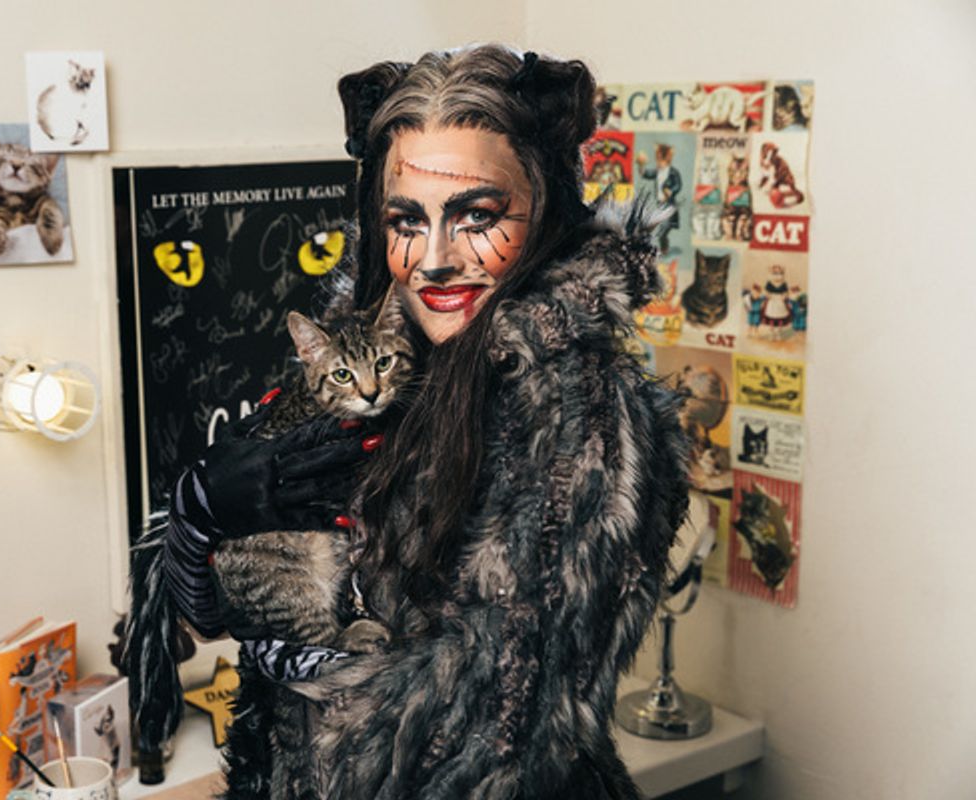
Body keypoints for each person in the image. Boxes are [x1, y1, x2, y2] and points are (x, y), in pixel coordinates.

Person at [127, 44, 688, 800]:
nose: (434, 259)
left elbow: (490, 738)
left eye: (478, 216)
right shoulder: (381, 364)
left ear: (546, 211)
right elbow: (220, 617)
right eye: (405, 220)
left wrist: (292, 664)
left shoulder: (582, 418)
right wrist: (199, 516)